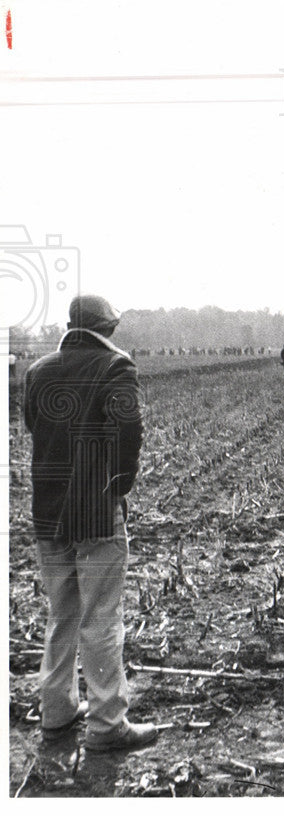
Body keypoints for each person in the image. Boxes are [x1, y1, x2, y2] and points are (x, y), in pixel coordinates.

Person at [24, 295, 157, 752]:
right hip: (96, 512)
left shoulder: (38, 371)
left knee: (61, 614)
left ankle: (56, 712)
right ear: (109, 328)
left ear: (70, 326)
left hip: (46, 511)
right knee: (101, 618)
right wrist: (118, 487)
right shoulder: (117, 367)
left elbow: (32, 426)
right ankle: (106, 725)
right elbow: (130, 430)